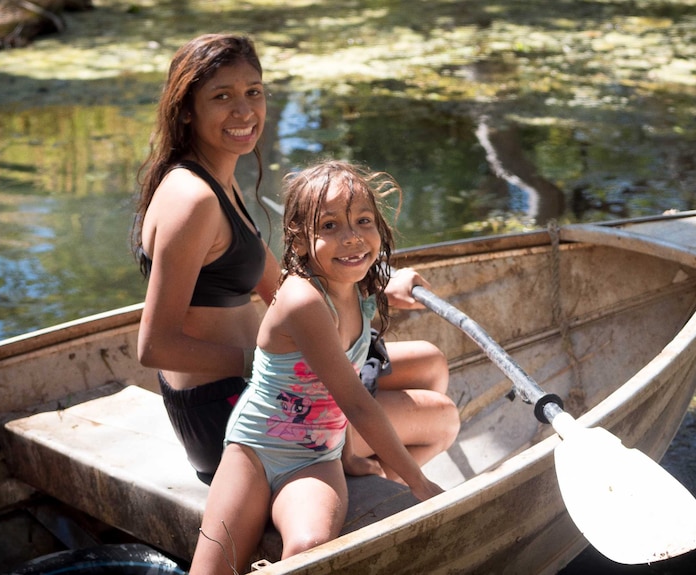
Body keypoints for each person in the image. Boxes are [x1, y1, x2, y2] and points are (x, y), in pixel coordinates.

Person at [132, 33, 459, 485]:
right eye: (222, 96)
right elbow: (154, 347)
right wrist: (267, 363)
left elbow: (281, 282)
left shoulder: (214, 180)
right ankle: (368, 489)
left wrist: (377, 284)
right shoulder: (193, 199)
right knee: (441, 417)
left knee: (430, 363)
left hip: (259, 383)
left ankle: (358, 468)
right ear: (187, 109)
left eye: (254, 93)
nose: (244, 111)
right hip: (233, 413)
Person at [191, 160, 444, 574]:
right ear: (301, 240)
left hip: (316, 459)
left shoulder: (360, 285)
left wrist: (398, 277)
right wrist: (421, 484)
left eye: (363, 221)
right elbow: (357, 404)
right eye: (329, 226)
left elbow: (367, 264)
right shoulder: (304, 300)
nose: (351, 238)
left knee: (310, 546)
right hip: (255, 449)